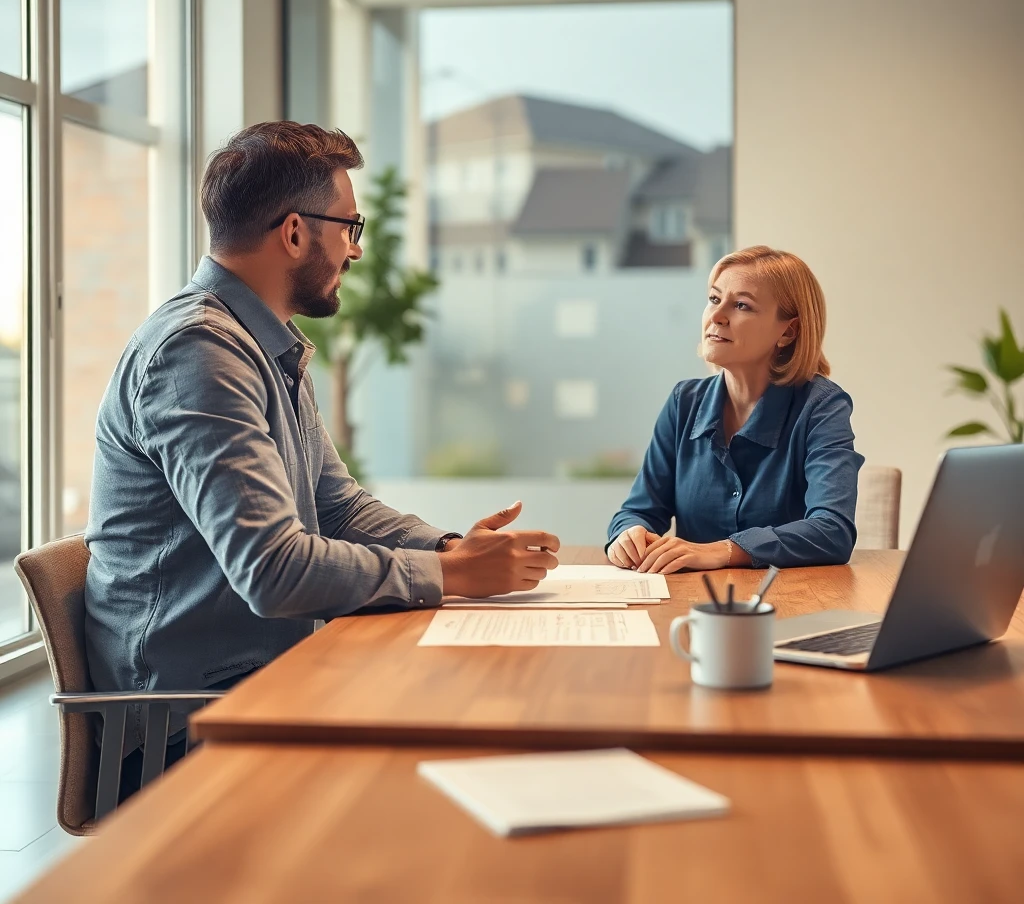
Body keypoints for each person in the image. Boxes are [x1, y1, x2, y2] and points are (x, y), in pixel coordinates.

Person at [84, 121, 558, 795]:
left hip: (263, 680)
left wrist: (449, 548)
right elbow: (273, 570)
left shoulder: (262, 341)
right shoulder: (199, 354)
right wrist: (448, 575)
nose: (355, 251)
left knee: (490, 716)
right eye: (350, 228)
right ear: (296, 232)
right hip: (188, 726)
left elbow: (336, 504)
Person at [607, 245, 863, 574]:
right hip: (692, 605)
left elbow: (833, 531)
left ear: (788, 331)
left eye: (741, 305)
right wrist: (628, 534)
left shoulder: (821, 407)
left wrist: (725, 550)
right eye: (714, 299)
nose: (716, 316)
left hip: (789, 604)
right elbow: (640, 510)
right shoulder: (683, 402)